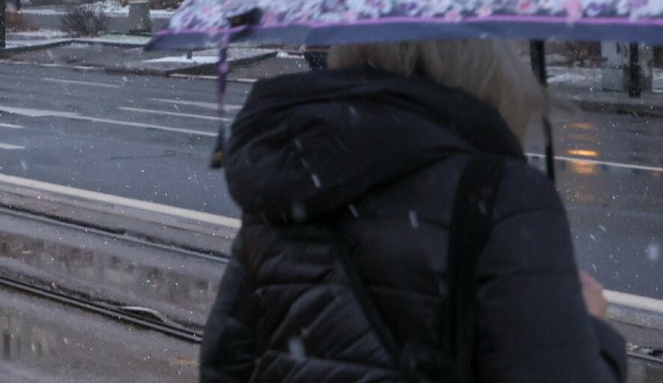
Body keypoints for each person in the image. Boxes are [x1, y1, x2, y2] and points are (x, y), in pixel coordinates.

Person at [200, 39, 627, 383]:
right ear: (485, 62)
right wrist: (591, 329)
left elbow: (224, 363)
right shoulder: (499, 191)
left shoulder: (296, 169)